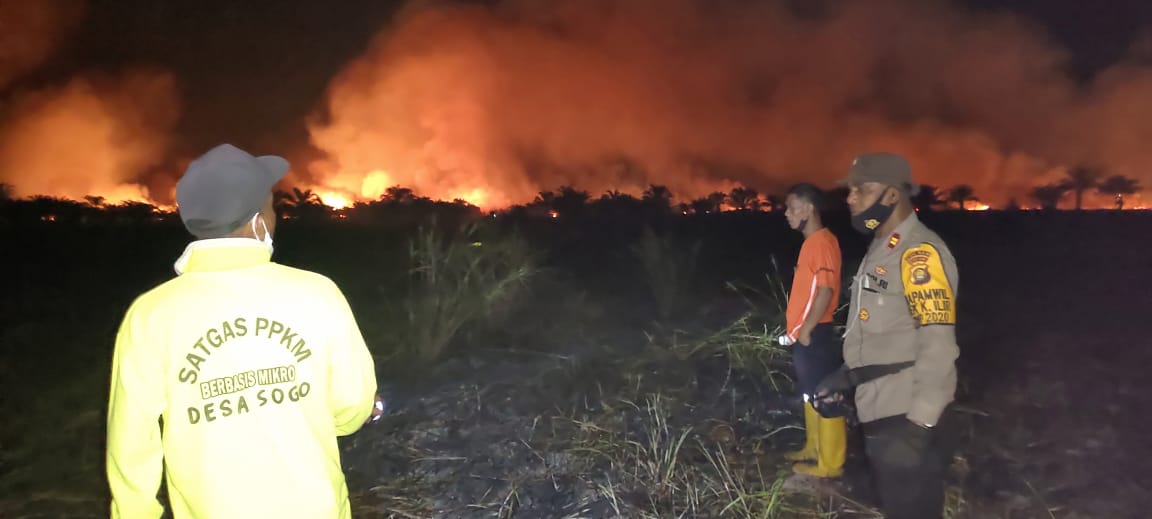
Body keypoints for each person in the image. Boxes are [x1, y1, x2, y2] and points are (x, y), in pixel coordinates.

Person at [105, 144, 383, 519]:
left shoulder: (150, 315)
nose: (275, 216)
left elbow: (130, 442)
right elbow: (352, 405)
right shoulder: (317, 293)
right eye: (271, 206)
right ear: (257, 220)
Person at [815, 152, 961, 519]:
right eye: (850, 190)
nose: (850, 198)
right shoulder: (883, 248)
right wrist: (846, 376)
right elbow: (884, 334)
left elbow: (938, 344)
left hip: (906, 416)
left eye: (861, 190)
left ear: (893, 196)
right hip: (880, 408)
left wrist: (919, 427)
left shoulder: (918, 254)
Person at [779, 183, 846, 479]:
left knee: (825, 395)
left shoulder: (821, 242)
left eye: (791, 208)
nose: (786, 214)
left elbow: (825, 291)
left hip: (815, 333)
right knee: (810, 394)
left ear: (808, 209)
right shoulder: (812, 243)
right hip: (806, 333)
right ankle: (813, 448)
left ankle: (831, 464)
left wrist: (805, 330)